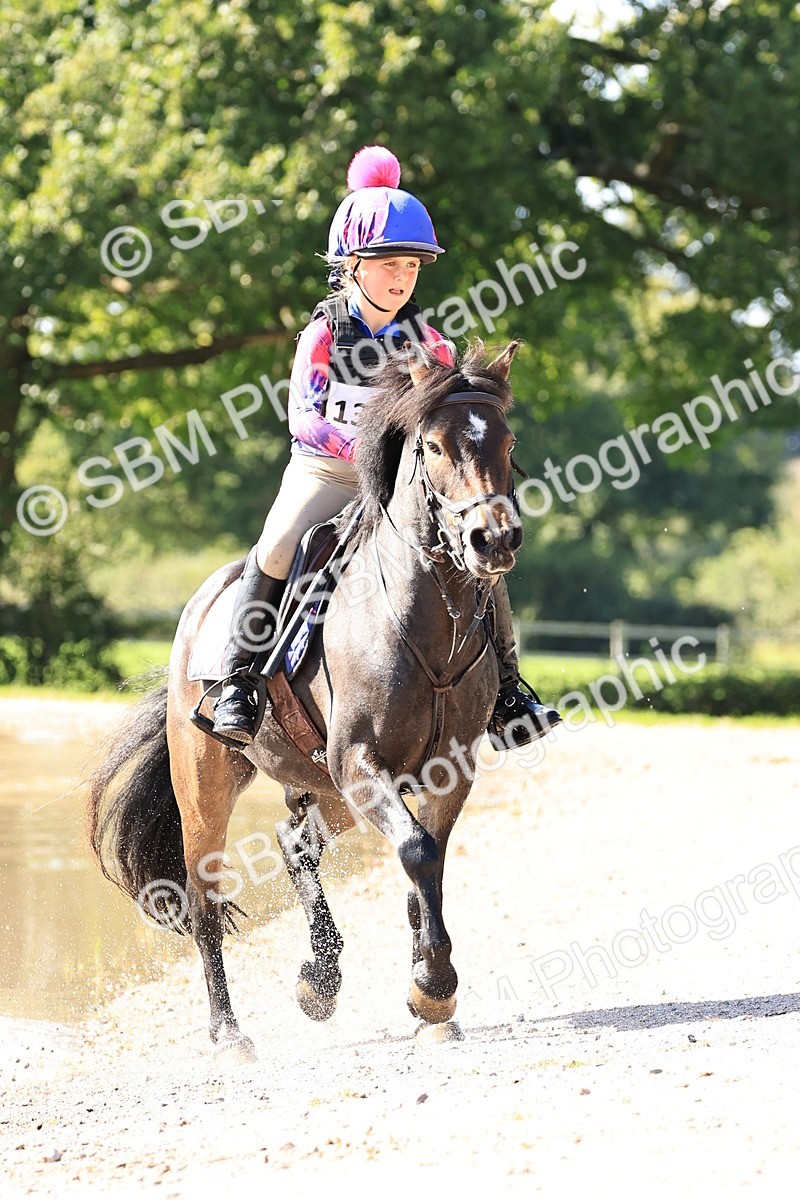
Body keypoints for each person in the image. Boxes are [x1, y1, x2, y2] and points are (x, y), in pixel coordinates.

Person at [212, 145, 561, 748]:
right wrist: (366, 446)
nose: (403, 279)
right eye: (390, 264)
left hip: (406, 484)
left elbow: (451, 433)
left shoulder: (433, 349)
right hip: (327, 472)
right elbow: (304, 419)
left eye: (413, 269)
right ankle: (238, 680)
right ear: (352, 265)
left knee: (485, 555)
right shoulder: (322, 335)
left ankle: (507, 687)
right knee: (277, 545)